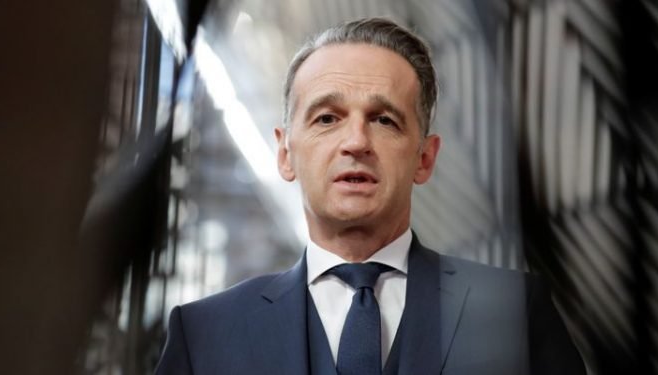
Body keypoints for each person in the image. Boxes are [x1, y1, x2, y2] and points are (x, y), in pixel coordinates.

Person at [156, 17, 585, 374]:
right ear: (285, 154)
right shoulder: (204, 335)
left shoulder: (514, 315)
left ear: (424, 158)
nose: (356, 142)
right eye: (327, 118)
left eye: (384, 120)